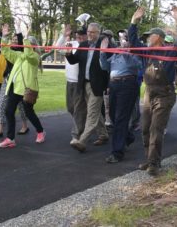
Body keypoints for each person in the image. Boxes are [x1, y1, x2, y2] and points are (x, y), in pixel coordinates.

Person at [128, 6, 177, 176]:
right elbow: (133, 42)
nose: (146, 39)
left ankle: (154, 163)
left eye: (149, 36)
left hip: (165, 95)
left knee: (156, 129)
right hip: (149, 93)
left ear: (158, 37)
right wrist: (134, 21)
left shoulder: (169, 51)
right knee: (145, 128)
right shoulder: (146, 52)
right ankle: (149, 158)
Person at [0, 25, 46, 148]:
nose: (24, 46)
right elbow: (6, 51)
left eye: (27, 44)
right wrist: (4, 37)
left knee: (29, 113)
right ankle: (10, 138)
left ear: (32, 46)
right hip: (15, 88)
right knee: (8, 111)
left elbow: (29, 54)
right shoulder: (19, 56)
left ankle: (40, 131)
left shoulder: (35, 57)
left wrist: (25, 38)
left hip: (27, 90)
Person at [66, 23, 109, 152]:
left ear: (99, 33)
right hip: (84, 84)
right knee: (95, 112)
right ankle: (103, 135)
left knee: (92, 113)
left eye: (93, 32)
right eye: (89, 32)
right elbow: (74, 60)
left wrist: (107, 86)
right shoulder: (83, 45)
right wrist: (68, 54)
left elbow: (107, 67)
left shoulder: (104, 45)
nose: (89, 34)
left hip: (97, 86)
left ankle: (82, 140)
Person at [100, 29, 142, 163]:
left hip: (128, 85)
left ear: (130, 41)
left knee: (120, 119)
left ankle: (117, 152)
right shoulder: (115, 54)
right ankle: (128, 137)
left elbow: (136, 66)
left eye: (125, 39)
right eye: (121, 39)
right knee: (112, 116)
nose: (122, 41)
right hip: (114, 85)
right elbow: (105, 67)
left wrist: (125, 53)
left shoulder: (135, 53)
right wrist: (102, 52)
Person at [0, 21, 28, 137]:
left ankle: (24, 125)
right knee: (2, 102)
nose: (14, 41)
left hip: (18, 81)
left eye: (16, 40)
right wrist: (2, 34)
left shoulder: (21, 51)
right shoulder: (8, 50)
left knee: (20, 105)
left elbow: (21, 41)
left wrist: (18, 28)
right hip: (7, 79)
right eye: (12, 40)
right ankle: (0, 128)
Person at [56, 24, 87, 144]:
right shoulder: (72, 44)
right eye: (77, 34)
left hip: (80, 82)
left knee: (78, 109)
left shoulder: (87, 46)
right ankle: (101, 131)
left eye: (81, 35)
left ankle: (76, 135)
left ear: (85, 35)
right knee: (71, 108)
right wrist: (63, 36)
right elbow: (58, 48)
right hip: (70, 81)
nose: (78, 36)